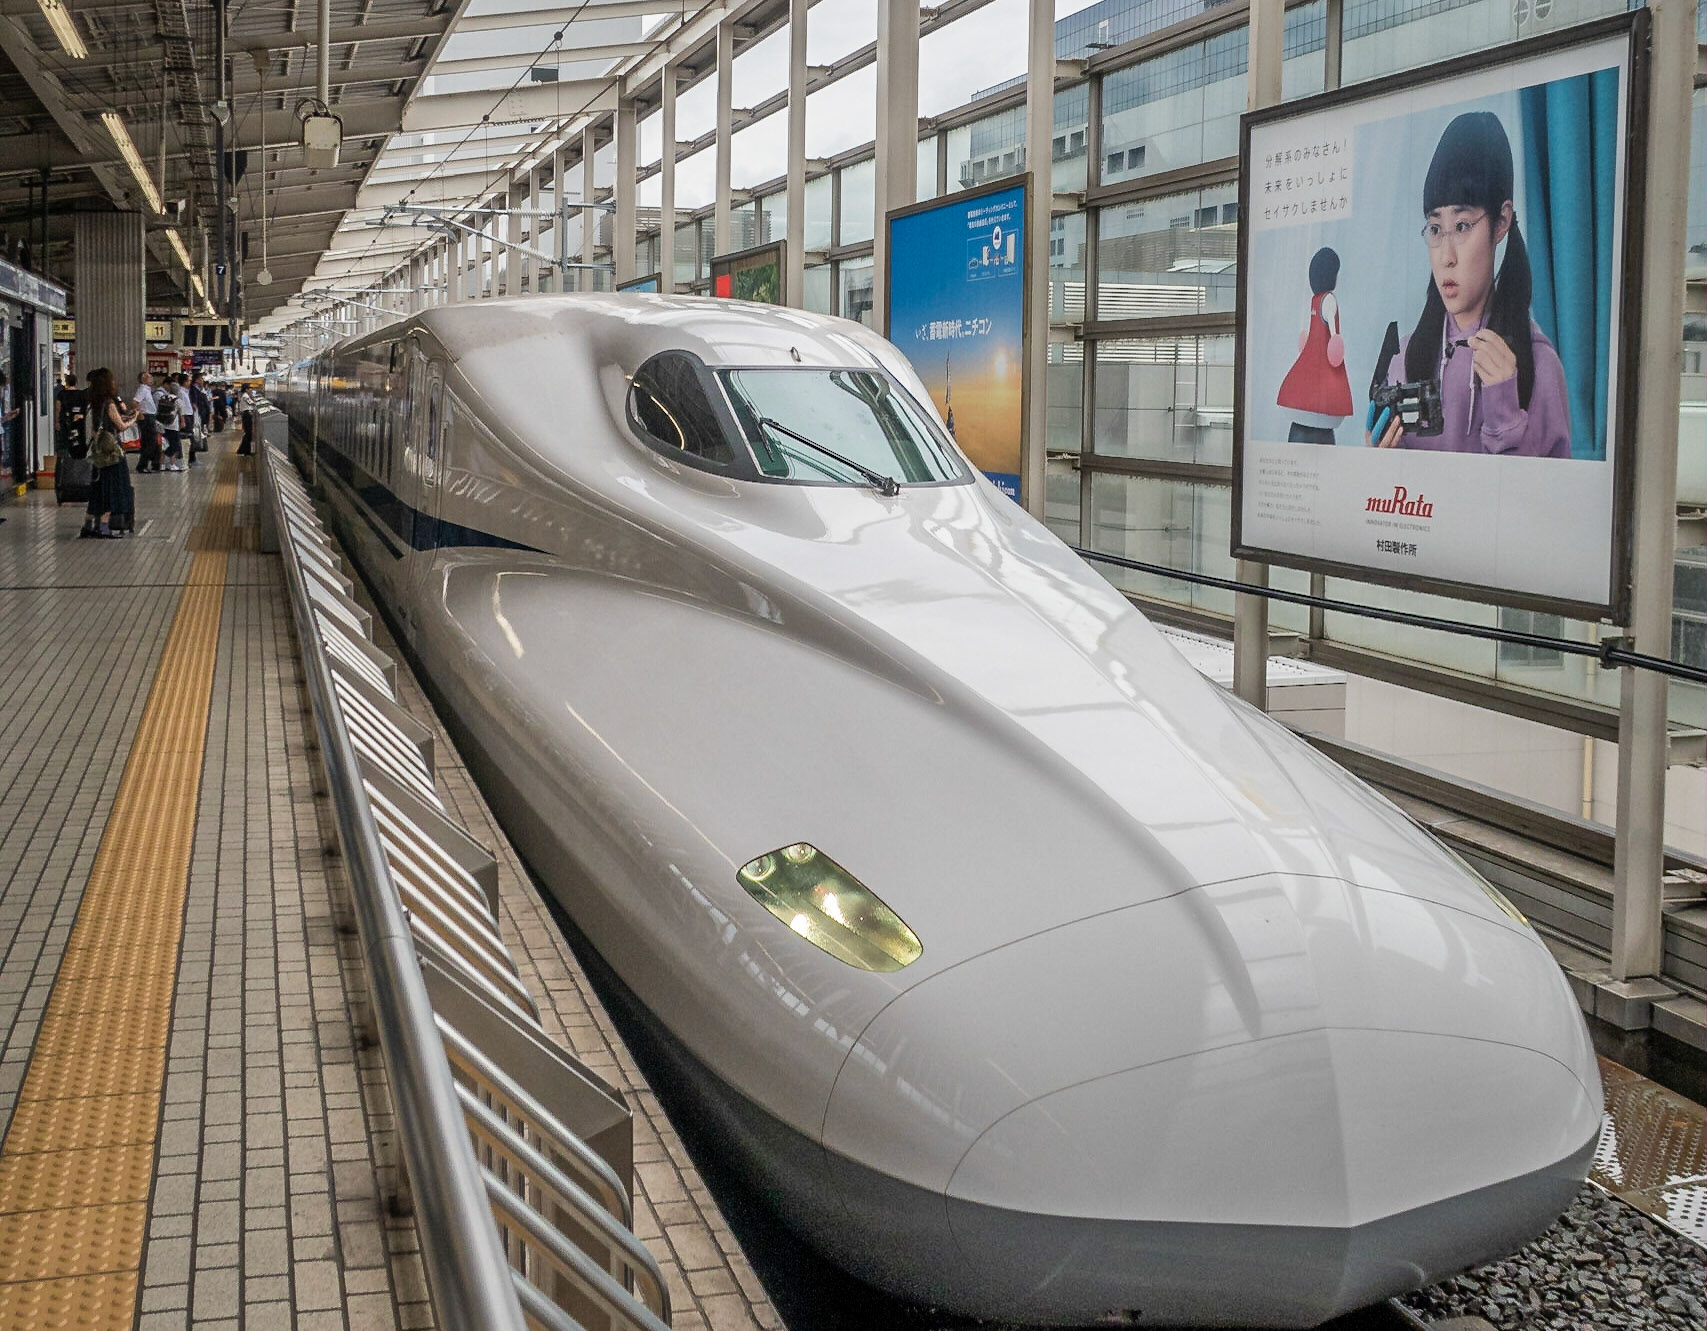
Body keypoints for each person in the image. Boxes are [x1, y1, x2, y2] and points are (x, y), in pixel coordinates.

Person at [1370, 111, 1570, 458]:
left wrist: (1504, 411)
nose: (1446, 256)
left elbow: (1545, 504)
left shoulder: (1538, 364)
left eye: (1462, 226)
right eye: (1435, 229)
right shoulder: (1403, 357)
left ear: (1501, 222)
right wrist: (1376, 462)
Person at [1276, 247, 1353, 444]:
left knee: (1304, 387)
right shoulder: (1329, 300)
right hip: (1324, 354)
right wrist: (1335, 345)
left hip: (1313, 350)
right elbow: (1334, 332)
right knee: (1328, 391)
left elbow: (1311, 327)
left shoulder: (1315, 300)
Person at [82, 367, 137, 538]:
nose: (114, 383)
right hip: (112, 454)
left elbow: (93, 429)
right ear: (106, 383)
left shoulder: (93, 403)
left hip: (98, 454)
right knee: (114, 489)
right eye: (112, 380)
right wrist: (133, 420)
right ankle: (104, 526)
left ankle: (88, 526)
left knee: (98, 489)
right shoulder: (109, 403)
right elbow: (120, 427)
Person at [133, 370, 161, 472]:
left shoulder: (147, 390)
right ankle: (142, 465)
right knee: (150, 442)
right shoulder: (143, 390)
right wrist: (139, 414)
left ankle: (153, 463)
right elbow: (135, 402)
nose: (152, 379)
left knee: (151, 442)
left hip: (151, 417)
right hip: (146, 418)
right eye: (149, 378)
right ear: (143, 379)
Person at [156, 371, 183, 471]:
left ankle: (162, 464)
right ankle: (171, 464)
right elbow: (181, 414)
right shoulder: (178, 400)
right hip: (173, 426)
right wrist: (183, 423)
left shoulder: (163, 397)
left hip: (162, 425)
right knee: (174, 445)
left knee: (164, 445)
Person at [175, 373, 198, 468]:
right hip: (186, 416)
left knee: (190, 437)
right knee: (188, 438)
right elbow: (181, 407)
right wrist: (182, 419)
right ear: (184, 382)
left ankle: (191, 458)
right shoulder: (180, 392)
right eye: (188, 380)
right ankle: (189, 459)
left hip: (189, 415)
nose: (190, 382)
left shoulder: (185, 391)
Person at [237, 384, 257, 455]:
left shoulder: (245, 395)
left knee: (248, 433)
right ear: (246, 389)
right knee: (248, 433)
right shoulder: (245, 396)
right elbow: (252, 403)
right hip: (247, 415)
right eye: (249, 388)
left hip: (246, 414)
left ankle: (243, 450)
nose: (251, 390)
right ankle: (245, 451)